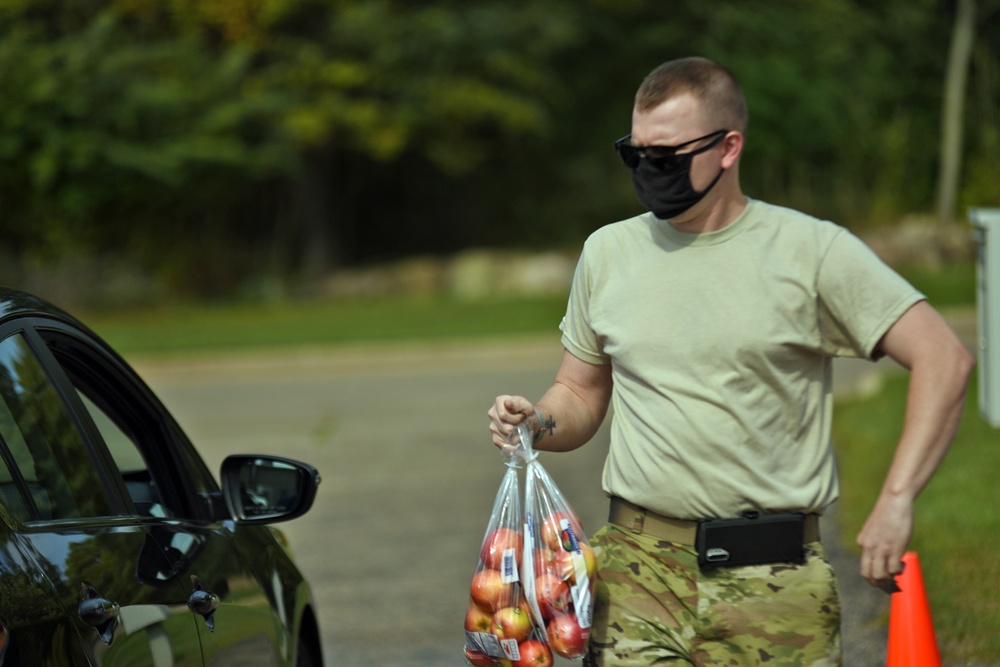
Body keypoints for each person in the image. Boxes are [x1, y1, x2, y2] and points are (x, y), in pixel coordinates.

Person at [487, 56, 974, 666]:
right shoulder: (608, 252)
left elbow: (943, 358)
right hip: (637, 573)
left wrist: (897, 498)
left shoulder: (810, 251)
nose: (647, 170)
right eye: (634, 154)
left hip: (775, 584)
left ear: (728, 148)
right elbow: (580, 392)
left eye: (664, 156)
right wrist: (537, 422)